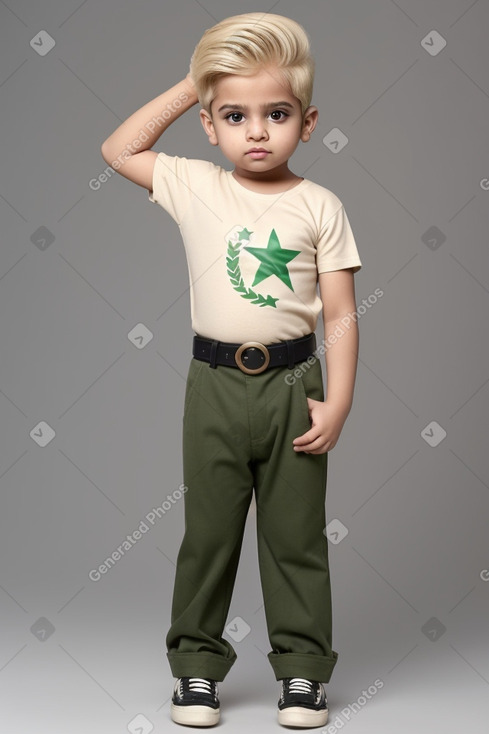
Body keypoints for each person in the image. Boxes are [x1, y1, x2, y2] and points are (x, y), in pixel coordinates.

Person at [101, 11, 362, 729]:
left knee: (296, 537)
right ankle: (195, 669)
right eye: (234, 115)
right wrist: (195, 82)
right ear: (210, 126)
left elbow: (339, 312)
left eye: (275, 114)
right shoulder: (195, 186)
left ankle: (303, 674)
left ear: (306, 124)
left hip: (292, 387)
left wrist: (336, 401)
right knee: (208, 534)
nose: (256, 131)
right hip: (214, 387)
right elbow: (119, 148)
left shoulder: (319, 205)